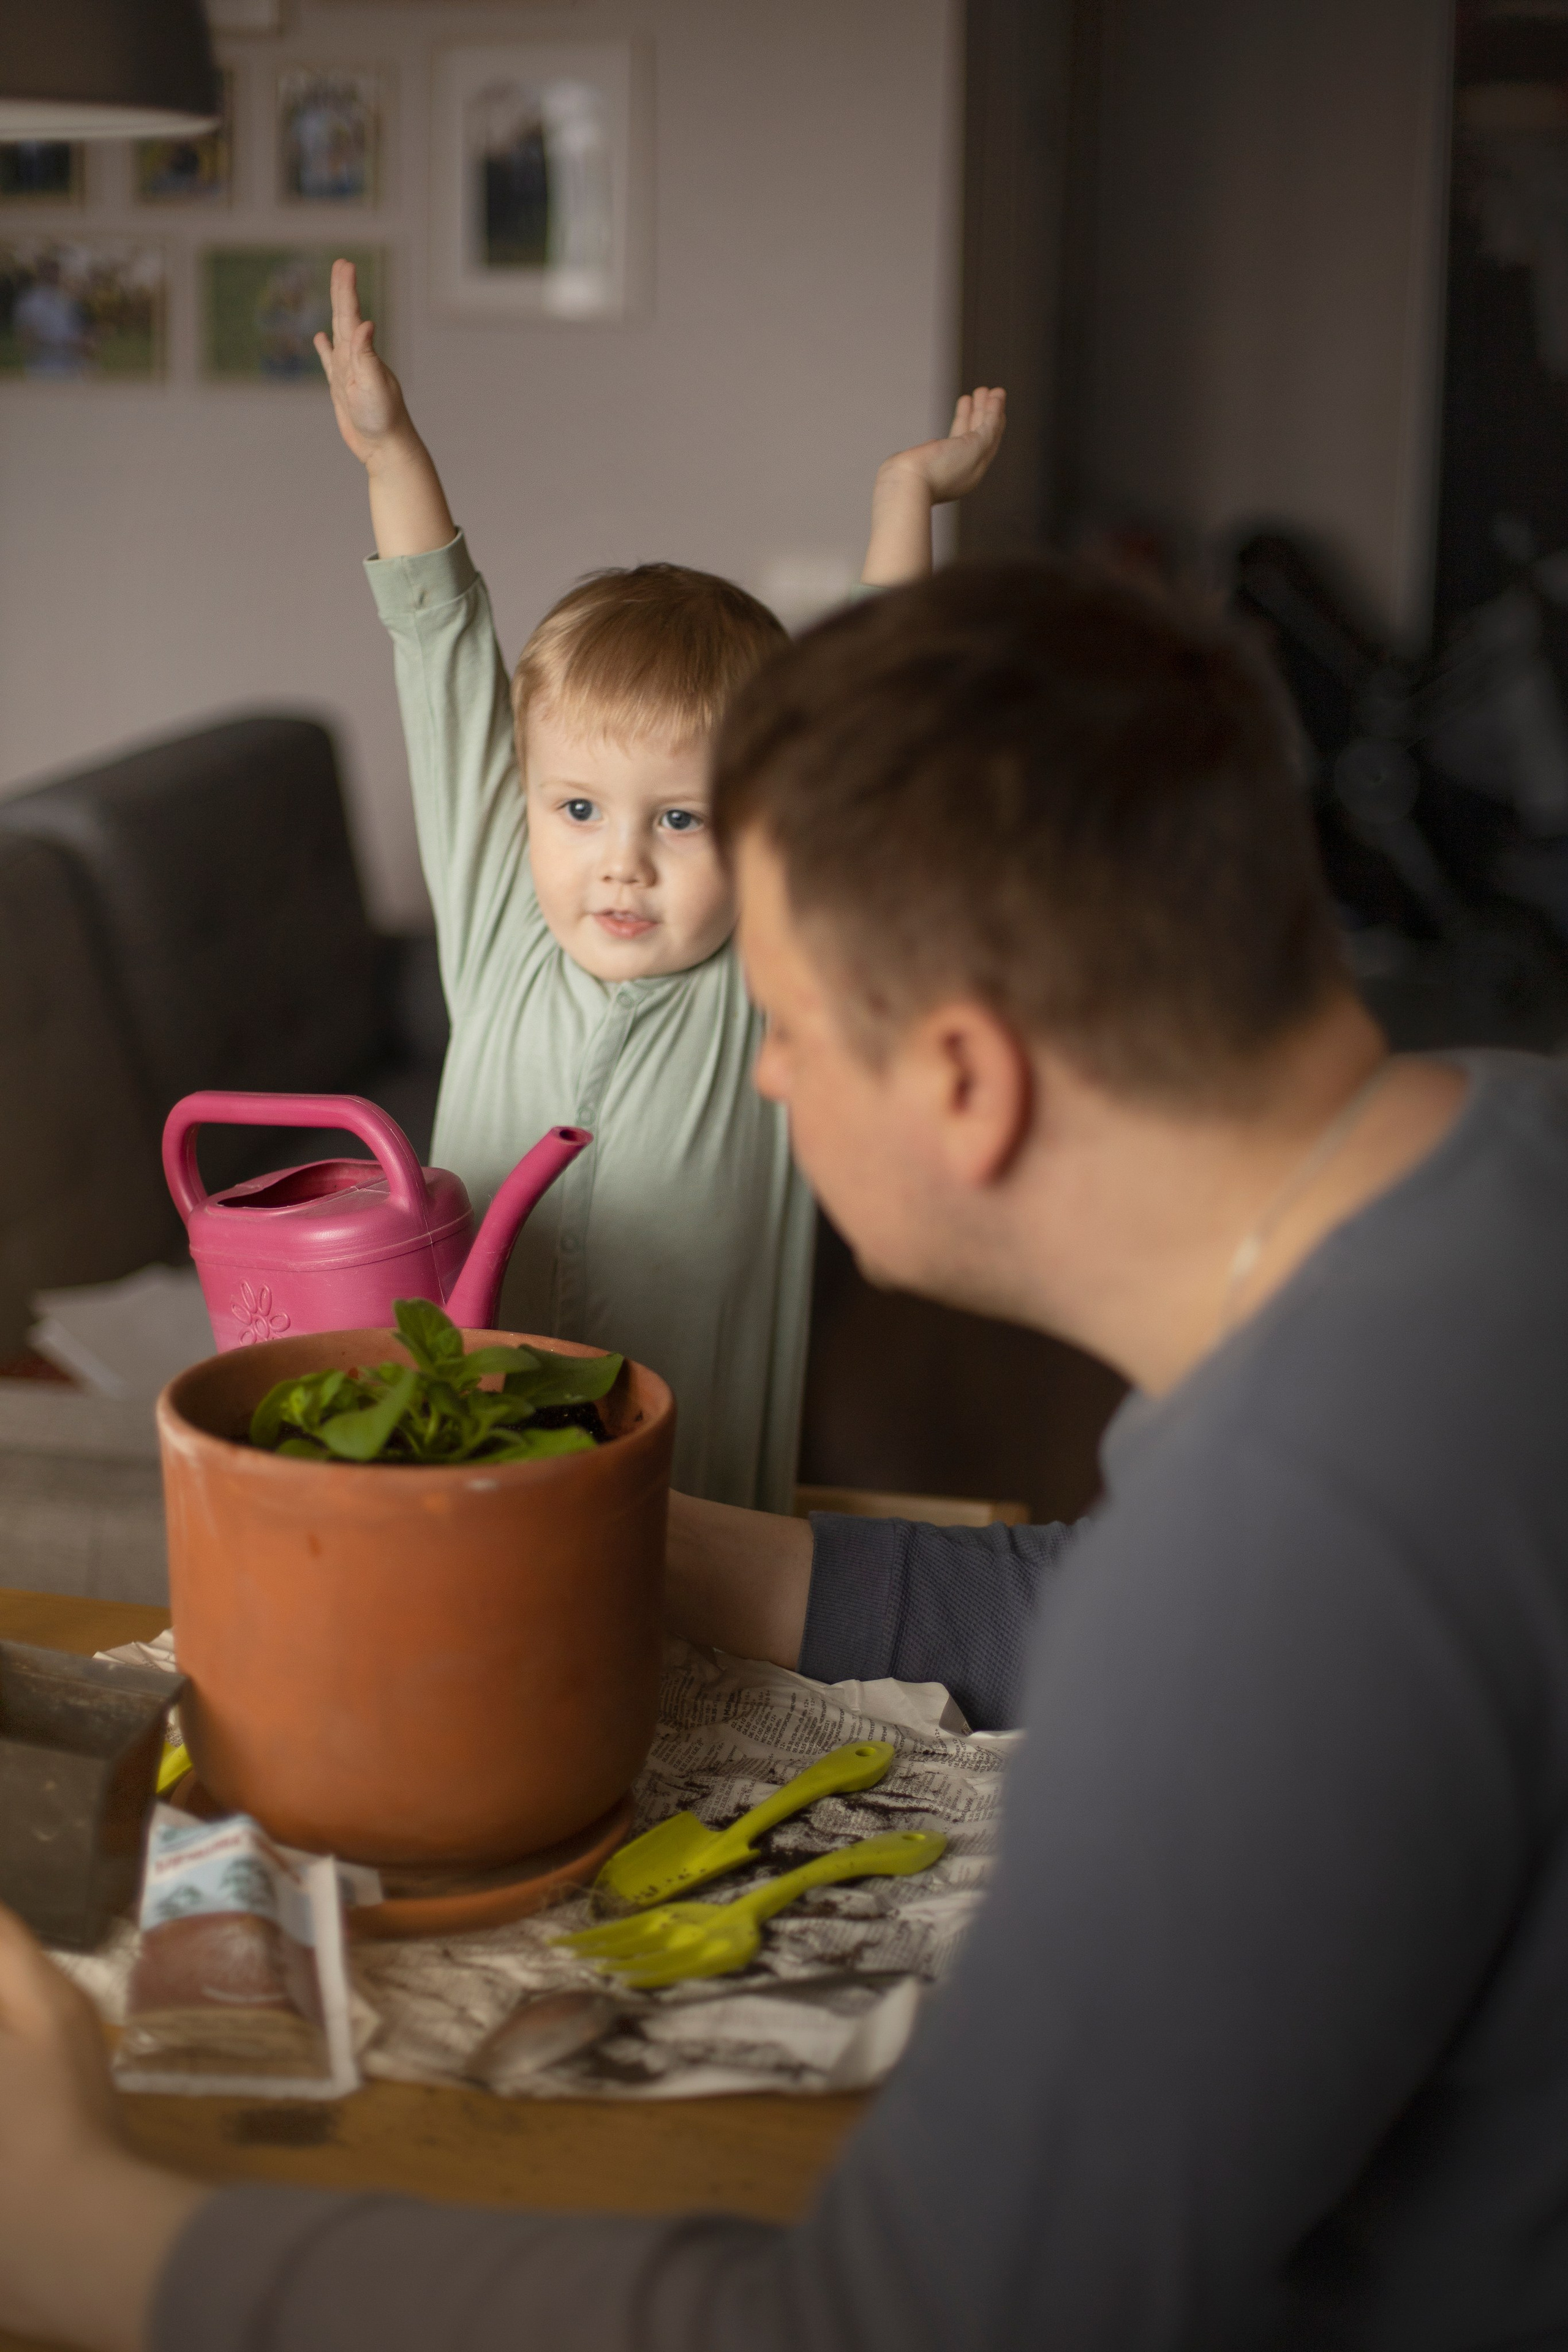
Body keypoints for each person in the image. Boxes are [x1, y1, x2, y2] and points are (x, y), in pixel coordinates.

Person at [6, 556, 1568, 2352]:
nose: (764, 1082)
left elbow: (896, 2322)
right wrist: (661, 1542)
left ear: (965, 1082)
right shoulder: (1509, 1138)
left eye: (793, 1030)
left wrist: (86, 2238)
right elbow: (1146, 1608)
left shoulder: (1281, 1535)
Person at [311, 258, 1006, 1508]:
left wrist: (904, 498)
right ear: (528, 809)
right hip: (469, 1500)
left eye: (680, 819)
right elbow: (441, 646)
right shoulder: (501, 922)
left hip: (694, 1520)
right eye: (578, 810)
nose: (619, 860)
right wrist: (389, 453)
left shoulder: (768, 980)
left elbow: (865, 719)